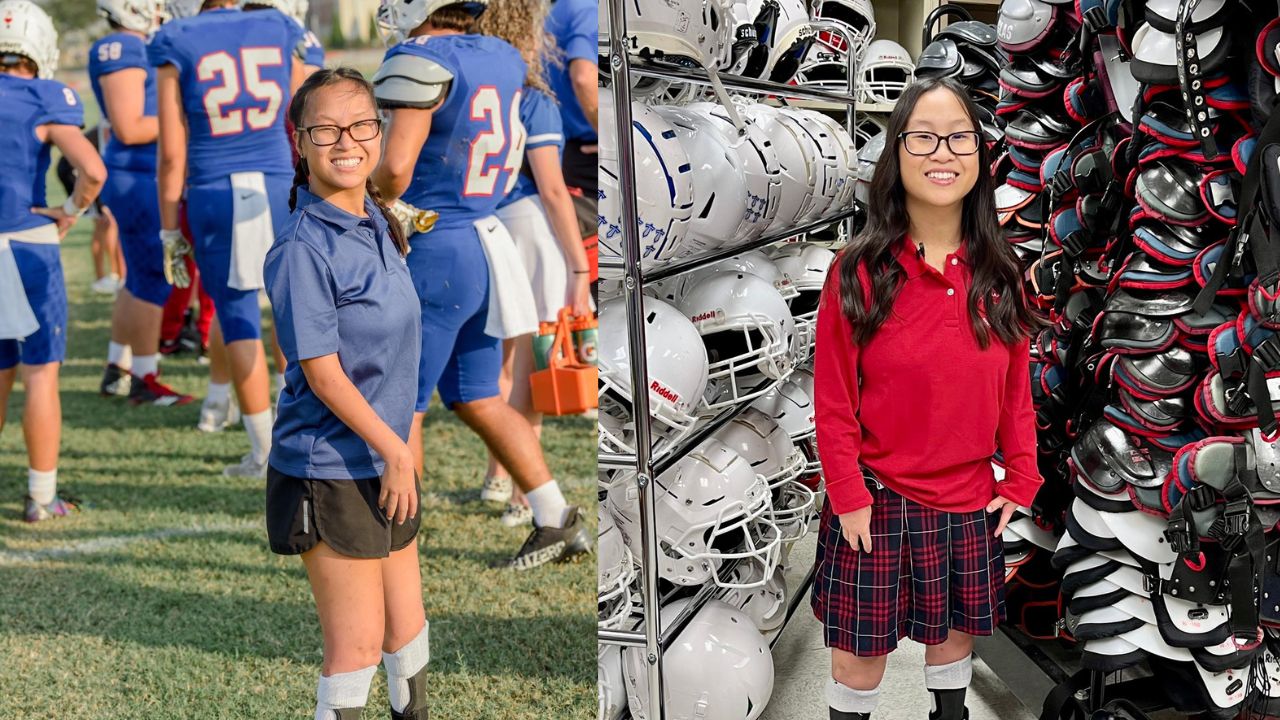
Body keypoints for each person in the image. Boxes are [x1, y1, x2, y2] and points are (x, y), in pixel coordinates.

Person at [810, 77, 1043, 720]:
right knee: (858, 654)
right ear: (897, 154)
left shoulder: (1000, 275)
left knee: (953, 636)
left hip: (968, 499)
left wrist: (1021, 478)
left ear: (979, 156)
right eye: (924, 137)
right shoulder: (856, 271)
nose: (943, 153)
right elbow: (832, 401)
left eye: (959, 137)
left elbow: (1015, 394)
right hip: (876, 501)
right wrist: (847, 495)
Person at [371, 0, 590, 569]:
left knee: (403, 405)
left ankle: (396, 546)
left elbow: (395, 169)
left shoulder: (420, 57)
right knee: (477, 395)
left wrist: (360, 196)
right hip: (485, 240)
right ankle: (554, 515)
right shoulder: (500, 55)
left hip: (433, 243)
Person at [265, 67, 427, 720]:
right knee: (355, 650)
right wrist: (394, 449)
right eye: (325, 129)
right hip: (331, 465)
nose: (346, 141)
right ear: (299, 142)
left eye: (361, 125)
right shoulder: (304, 247)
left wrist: (401, 449)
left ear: (379, 132)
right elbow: (323, 372)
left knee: (405, 631)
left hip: (387, 459)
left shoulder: (379, 220)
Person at [149, 0, 305, 475]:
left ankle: (263, 452)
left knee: (236, 316)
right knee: (295, 310)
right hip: (279, 180)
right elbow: (306, 109)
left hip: (214, 186)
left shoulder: (177, 38)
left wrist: (170, 228)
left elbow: (172, 152)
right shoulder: (277, 24)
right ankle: (306, 431)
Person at [476, 0, 592, 527]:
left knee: (494, 364)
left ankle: (498, 476)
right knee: (528, 366)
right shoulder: (531, 97)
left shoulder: (465, 89)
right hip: (523, 226)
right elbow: (551, 189)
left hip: (475, 220)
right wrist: (578, 266)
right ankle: (526, 491)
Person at [0, 0, 107, 521]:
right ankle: (41, 498)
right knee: (39, 375)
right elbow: (91, 170)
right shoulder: (44, 95)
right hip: (25, 245)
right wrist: (68, 212)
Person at [91, 0, 193, 405]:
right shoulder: (122, 47)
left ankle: (118, 369)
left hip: (136, 174)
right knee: (152, 278)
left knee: (136, 279)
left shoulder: (129, 46)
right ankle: (145, 378)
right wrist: (185, 118)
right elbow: (130, 126)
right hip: (137, 174)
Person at [56, 128, 124, 296]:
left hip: (81, 170)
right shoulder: (112, 130)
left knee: (106, 224)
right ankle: (112, 278)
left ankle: (113, 277)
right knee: (109, 222)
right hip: (75, 172)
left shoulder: (113, 129)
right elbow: (97, 172)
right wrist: (103, 205)